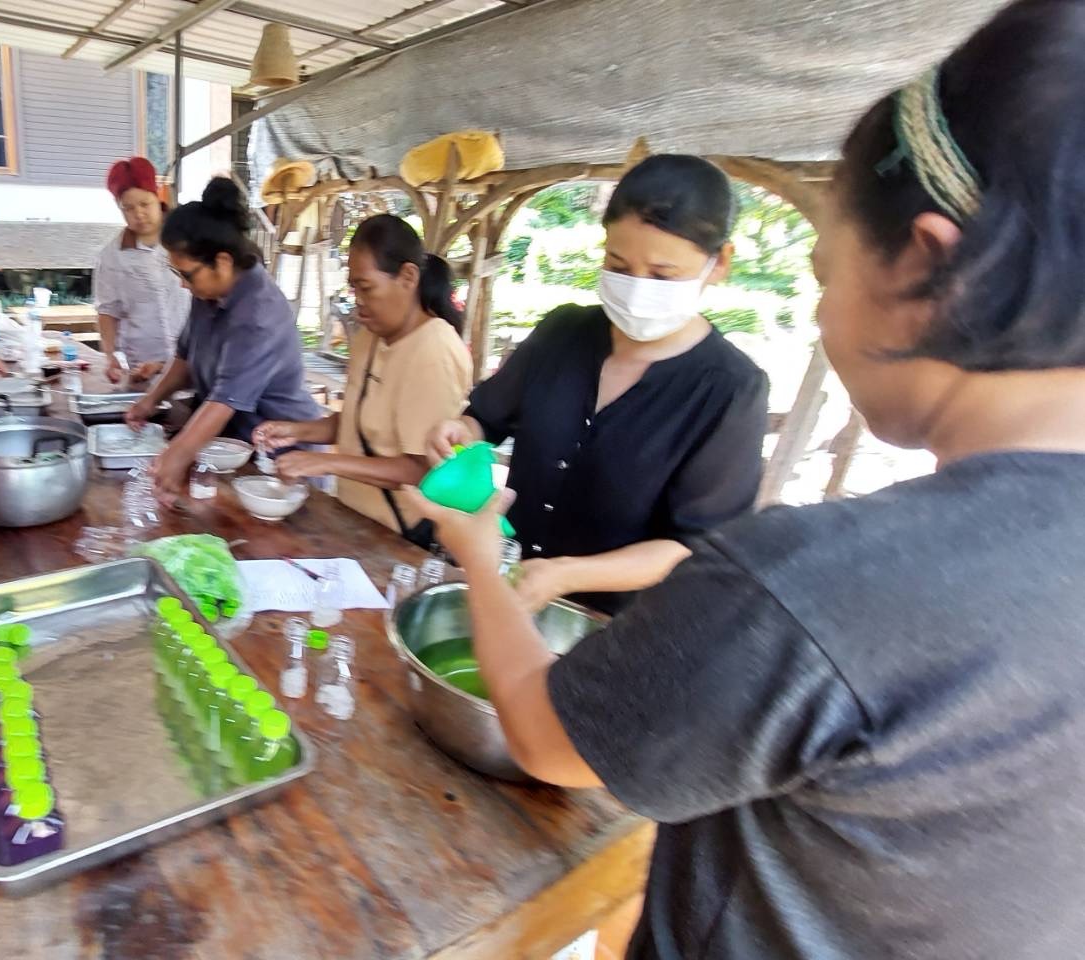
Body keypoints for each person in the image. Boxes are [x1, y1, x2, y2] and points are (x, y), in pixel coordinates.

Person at [402, 1, 1085, 956]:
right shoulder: (564, 336)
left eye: (821, 268)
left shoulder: (814, 584)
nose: (819, 313)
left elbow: (549, 739)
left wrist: (481, 555)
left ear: (926, 264)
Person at [427, 154, 768, 614]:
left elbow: (693, 545)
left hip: (617, 627)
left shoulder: (730, 391)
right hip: (510, 594)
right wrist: (459, 434)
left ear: (719, 262)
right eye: (619, 265)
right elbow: (483, 421)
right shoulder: (562, 334)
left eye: (663, 275)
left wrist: (570, 574)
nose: (637, 287)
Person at [251, 215, 471, 542]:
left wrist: (326, 463)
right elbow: (356, 422)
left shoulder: (433, 350)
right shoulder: (370, 338)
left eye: (366, 288)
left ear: (408, 277)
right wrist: (295, 431)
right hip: (355, 522)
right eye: (354, 288)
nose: (358, 302)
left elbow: (420, 467)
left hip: (401, 537)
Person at [126, 177, 319, 497]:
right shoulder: (208, 294)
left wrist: (176, 458)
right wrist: (150, 401)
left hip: (279, 461)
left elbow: (223, 401)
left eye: (187, 275)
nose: (183, 286)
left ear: (223, 262)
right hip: (231, 447)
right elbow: (186, 357)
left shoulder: (258, 313)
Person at [94, 157, 190, 384]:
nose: (138, 214)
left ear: (158, 197)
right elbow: (107, 310)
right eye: (128, 208)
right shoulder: (111, 256)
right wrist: (110, 356)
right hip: (143, 367)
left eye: (145, 204)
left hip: (192, 362)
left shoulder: (187, 239)